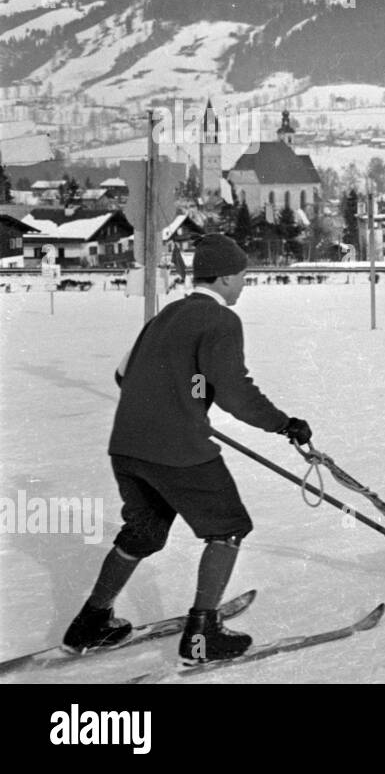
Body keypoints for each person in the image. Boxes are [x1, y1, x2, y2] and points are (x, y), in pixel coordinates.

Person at [61, 234, 312, 664]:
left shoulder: (167, 315)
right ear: (228, 277)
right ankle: (202, 638)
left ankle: (90, 623)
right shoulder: (220, 321)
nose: (244, 286)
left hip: (127, 447)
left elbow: (123, 374)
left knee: (143, 532)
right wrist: (284, 424)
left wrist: (182, 397)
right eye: (243, 278)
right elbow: (234, 391)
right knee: (228, 527)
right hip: (178, 451)